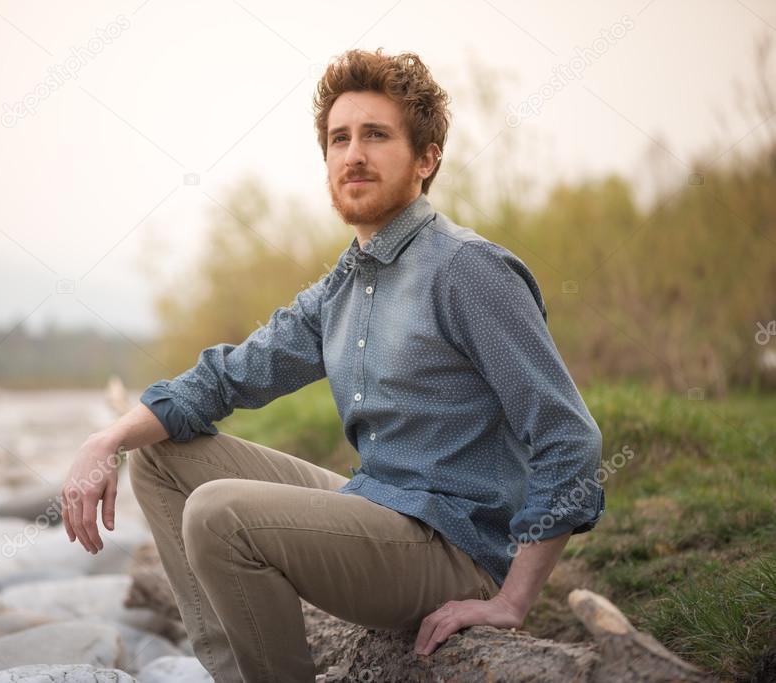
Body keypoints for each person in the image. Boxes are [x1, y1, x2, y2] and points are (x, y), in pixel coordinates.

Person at [60, 47, 605, 683]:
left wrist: (512, 599)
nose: (354, 154)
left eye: (376, 135)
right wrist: (108, 438)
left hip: (453, 548)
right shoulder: (345, 285)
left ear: (426, 158)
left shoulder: (467, 271)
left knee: (217, 513)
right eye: (339, 138)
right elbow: (228, 376)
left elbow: (571, 440)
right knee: (158, 454)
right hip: (377, 509)